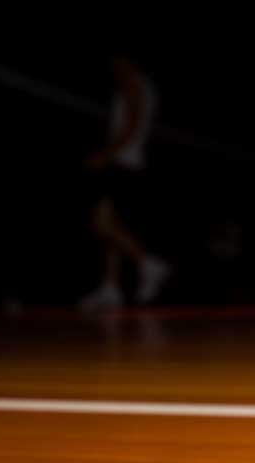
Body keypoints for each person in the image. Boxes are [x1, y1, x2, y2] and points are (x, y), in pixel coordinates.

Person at [80, 56, 171, 309]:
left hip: (123, 164)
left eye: (117, 62)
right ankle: (111, 287)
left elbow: (131, 125)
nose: (113, 68)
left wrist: (105, 155)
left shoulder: (134, 84)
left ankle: (148, 264)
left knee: (101, 223)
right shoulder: (145, 85)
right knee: (113, 225)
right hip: (130, 164)